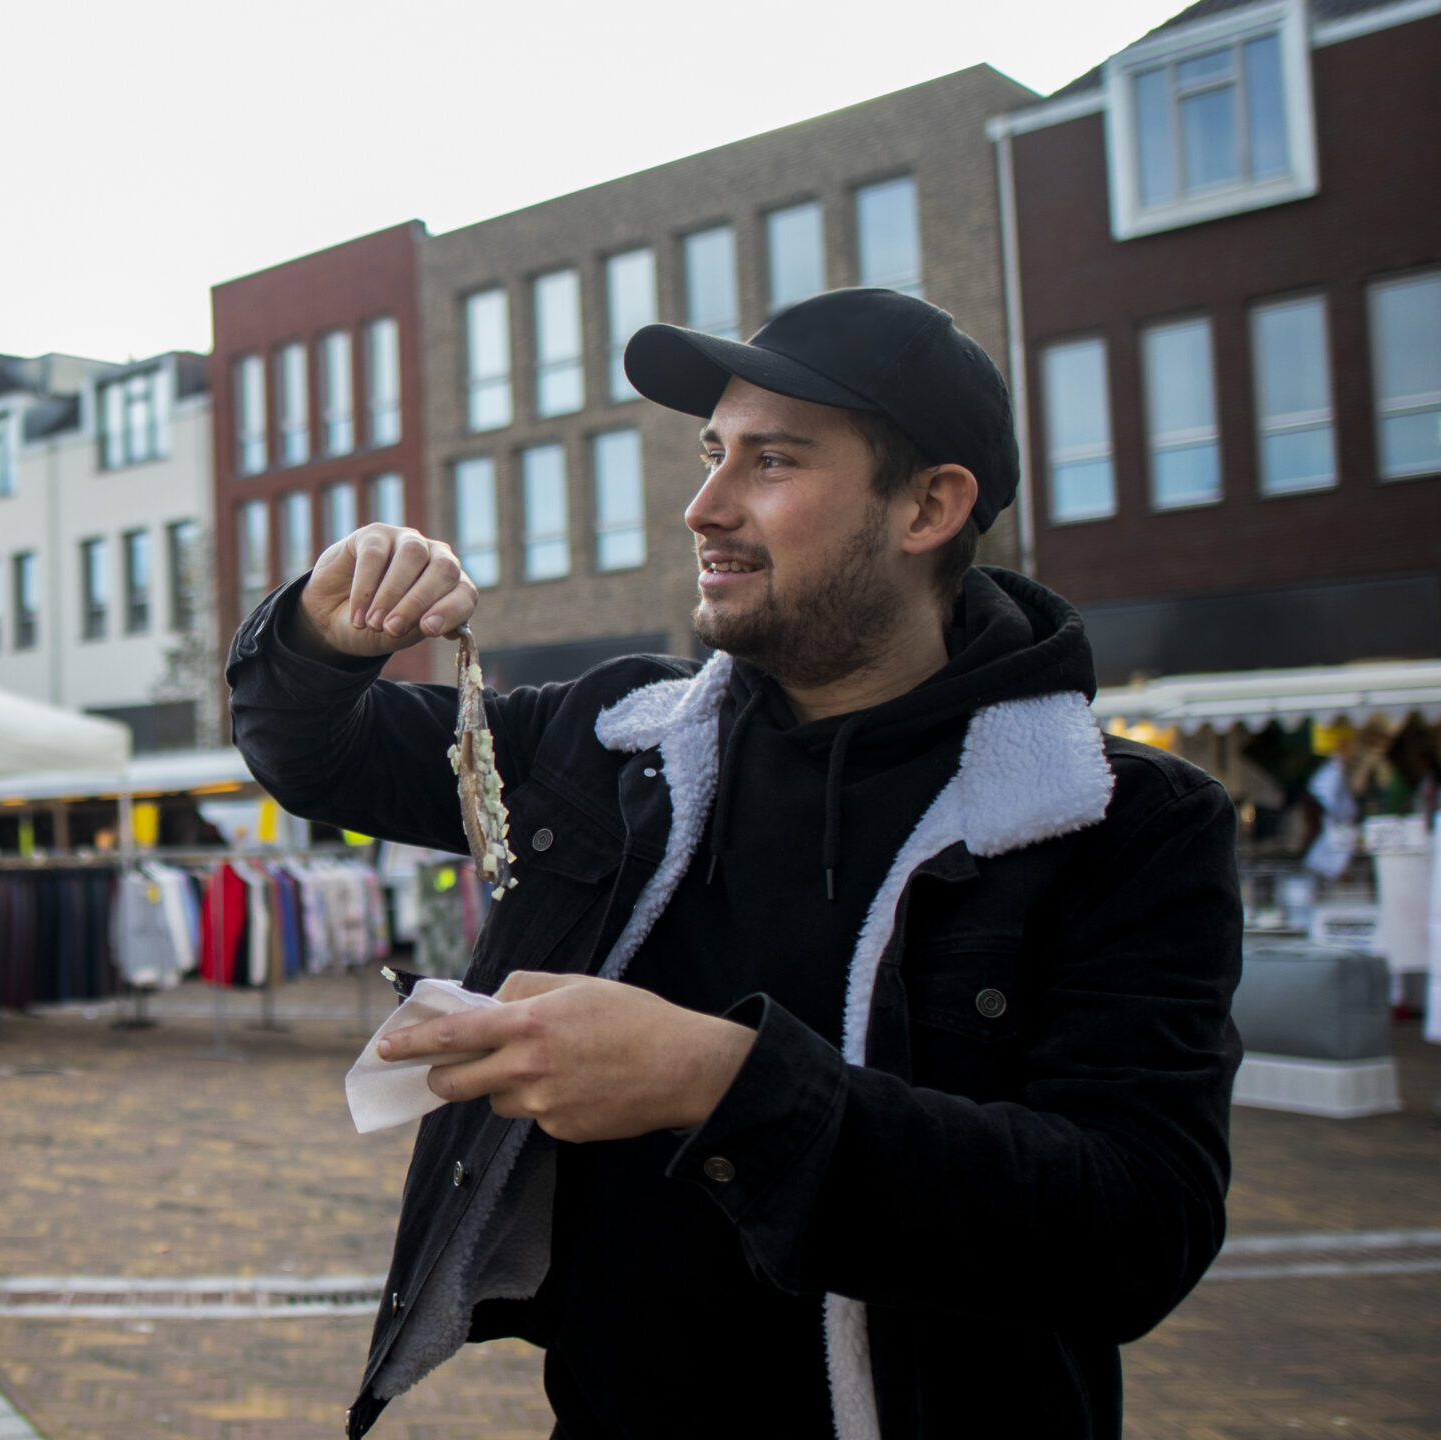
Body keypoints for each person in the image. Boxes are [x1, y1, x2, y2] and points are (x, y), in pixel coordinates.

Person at [229, 287, 1240, 1439]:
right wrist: (318, 623)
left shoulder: (1117, 822)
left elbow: (1133, 1232)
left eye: (771, 462)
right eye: (712, 453)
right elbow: (319, 756)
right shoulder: (616, 742)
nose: (704, 506)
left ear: (928, 507)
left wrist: (722, 1084)